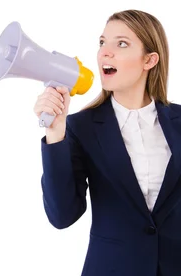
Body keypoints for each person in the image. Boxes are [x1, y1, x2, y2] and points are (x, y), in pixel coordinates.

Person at [34, 9, 179, 276]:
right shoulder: (80, 128)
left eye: (121, 43)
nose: (105, 52)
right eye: (102, 43)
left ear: (149, 59)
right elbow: (62, 216)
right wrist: (55, 133)